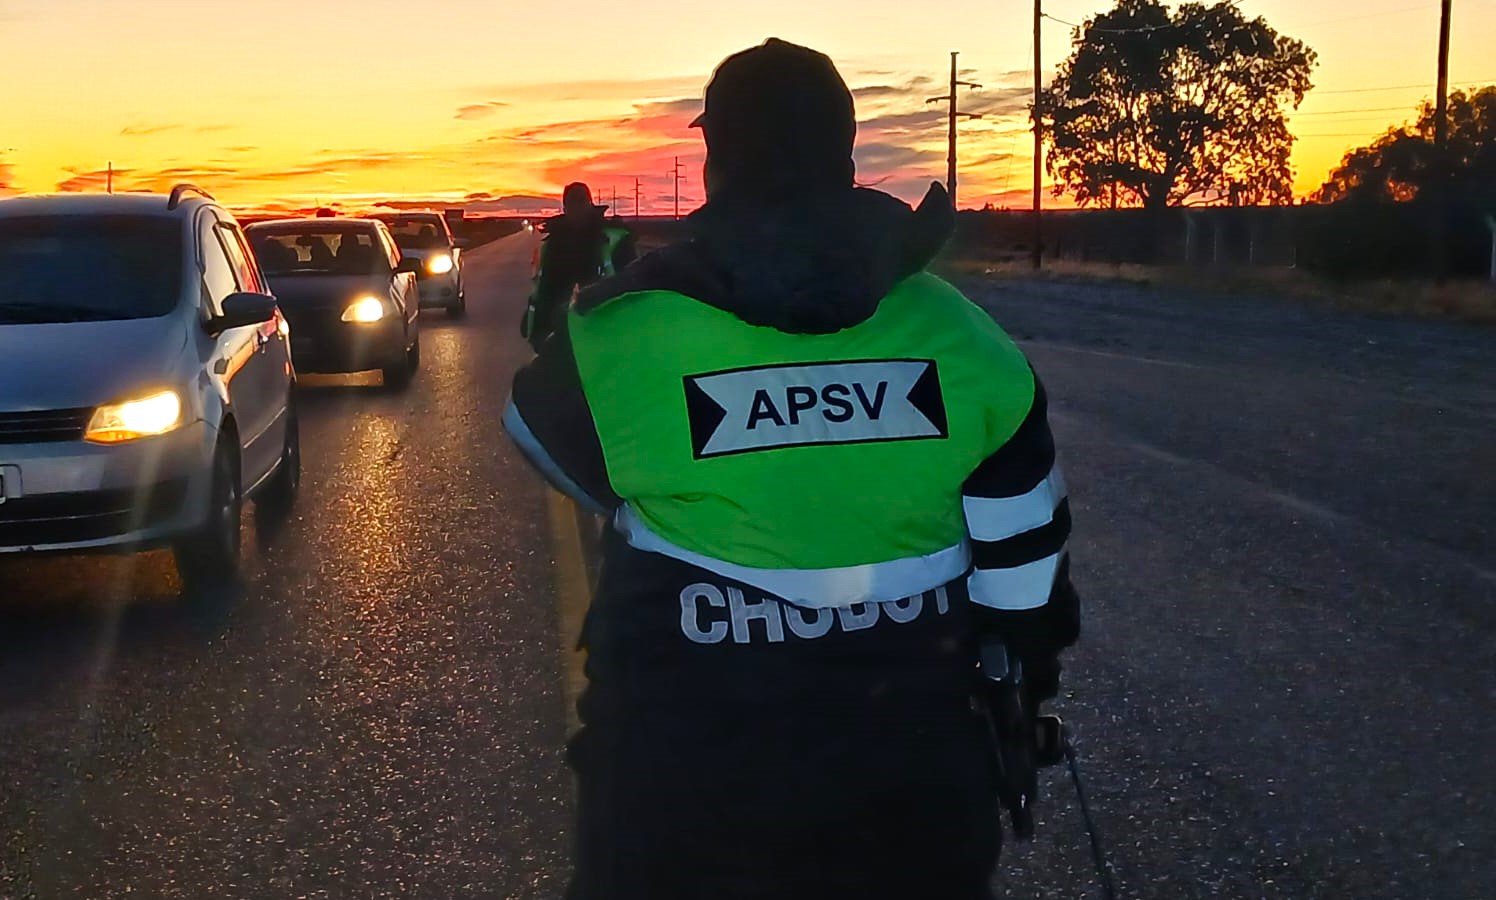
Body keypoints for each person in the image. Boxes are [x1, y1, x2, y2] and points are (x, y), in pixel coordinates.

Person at [504, 38, 1080, 900]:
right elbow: (1025, 566)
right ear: (844, 151)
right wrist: (1022, 684)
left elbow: (539, 436)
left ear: (716, 158)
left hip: (679, 785)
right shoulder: (961, 333)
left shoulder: (622, 329)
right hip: (910, 782)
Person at [521, 182, 637, 351]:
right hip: (562, 331)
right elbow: (544, 290)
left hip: (607, 329)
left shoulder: (615, 239)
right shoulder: (553, 245)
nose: (577, 208)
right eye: (572, 202)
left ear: (590, 203)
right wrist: (536, 325)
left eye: (581, 201)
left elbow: (633, 286)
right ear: (565, 207)